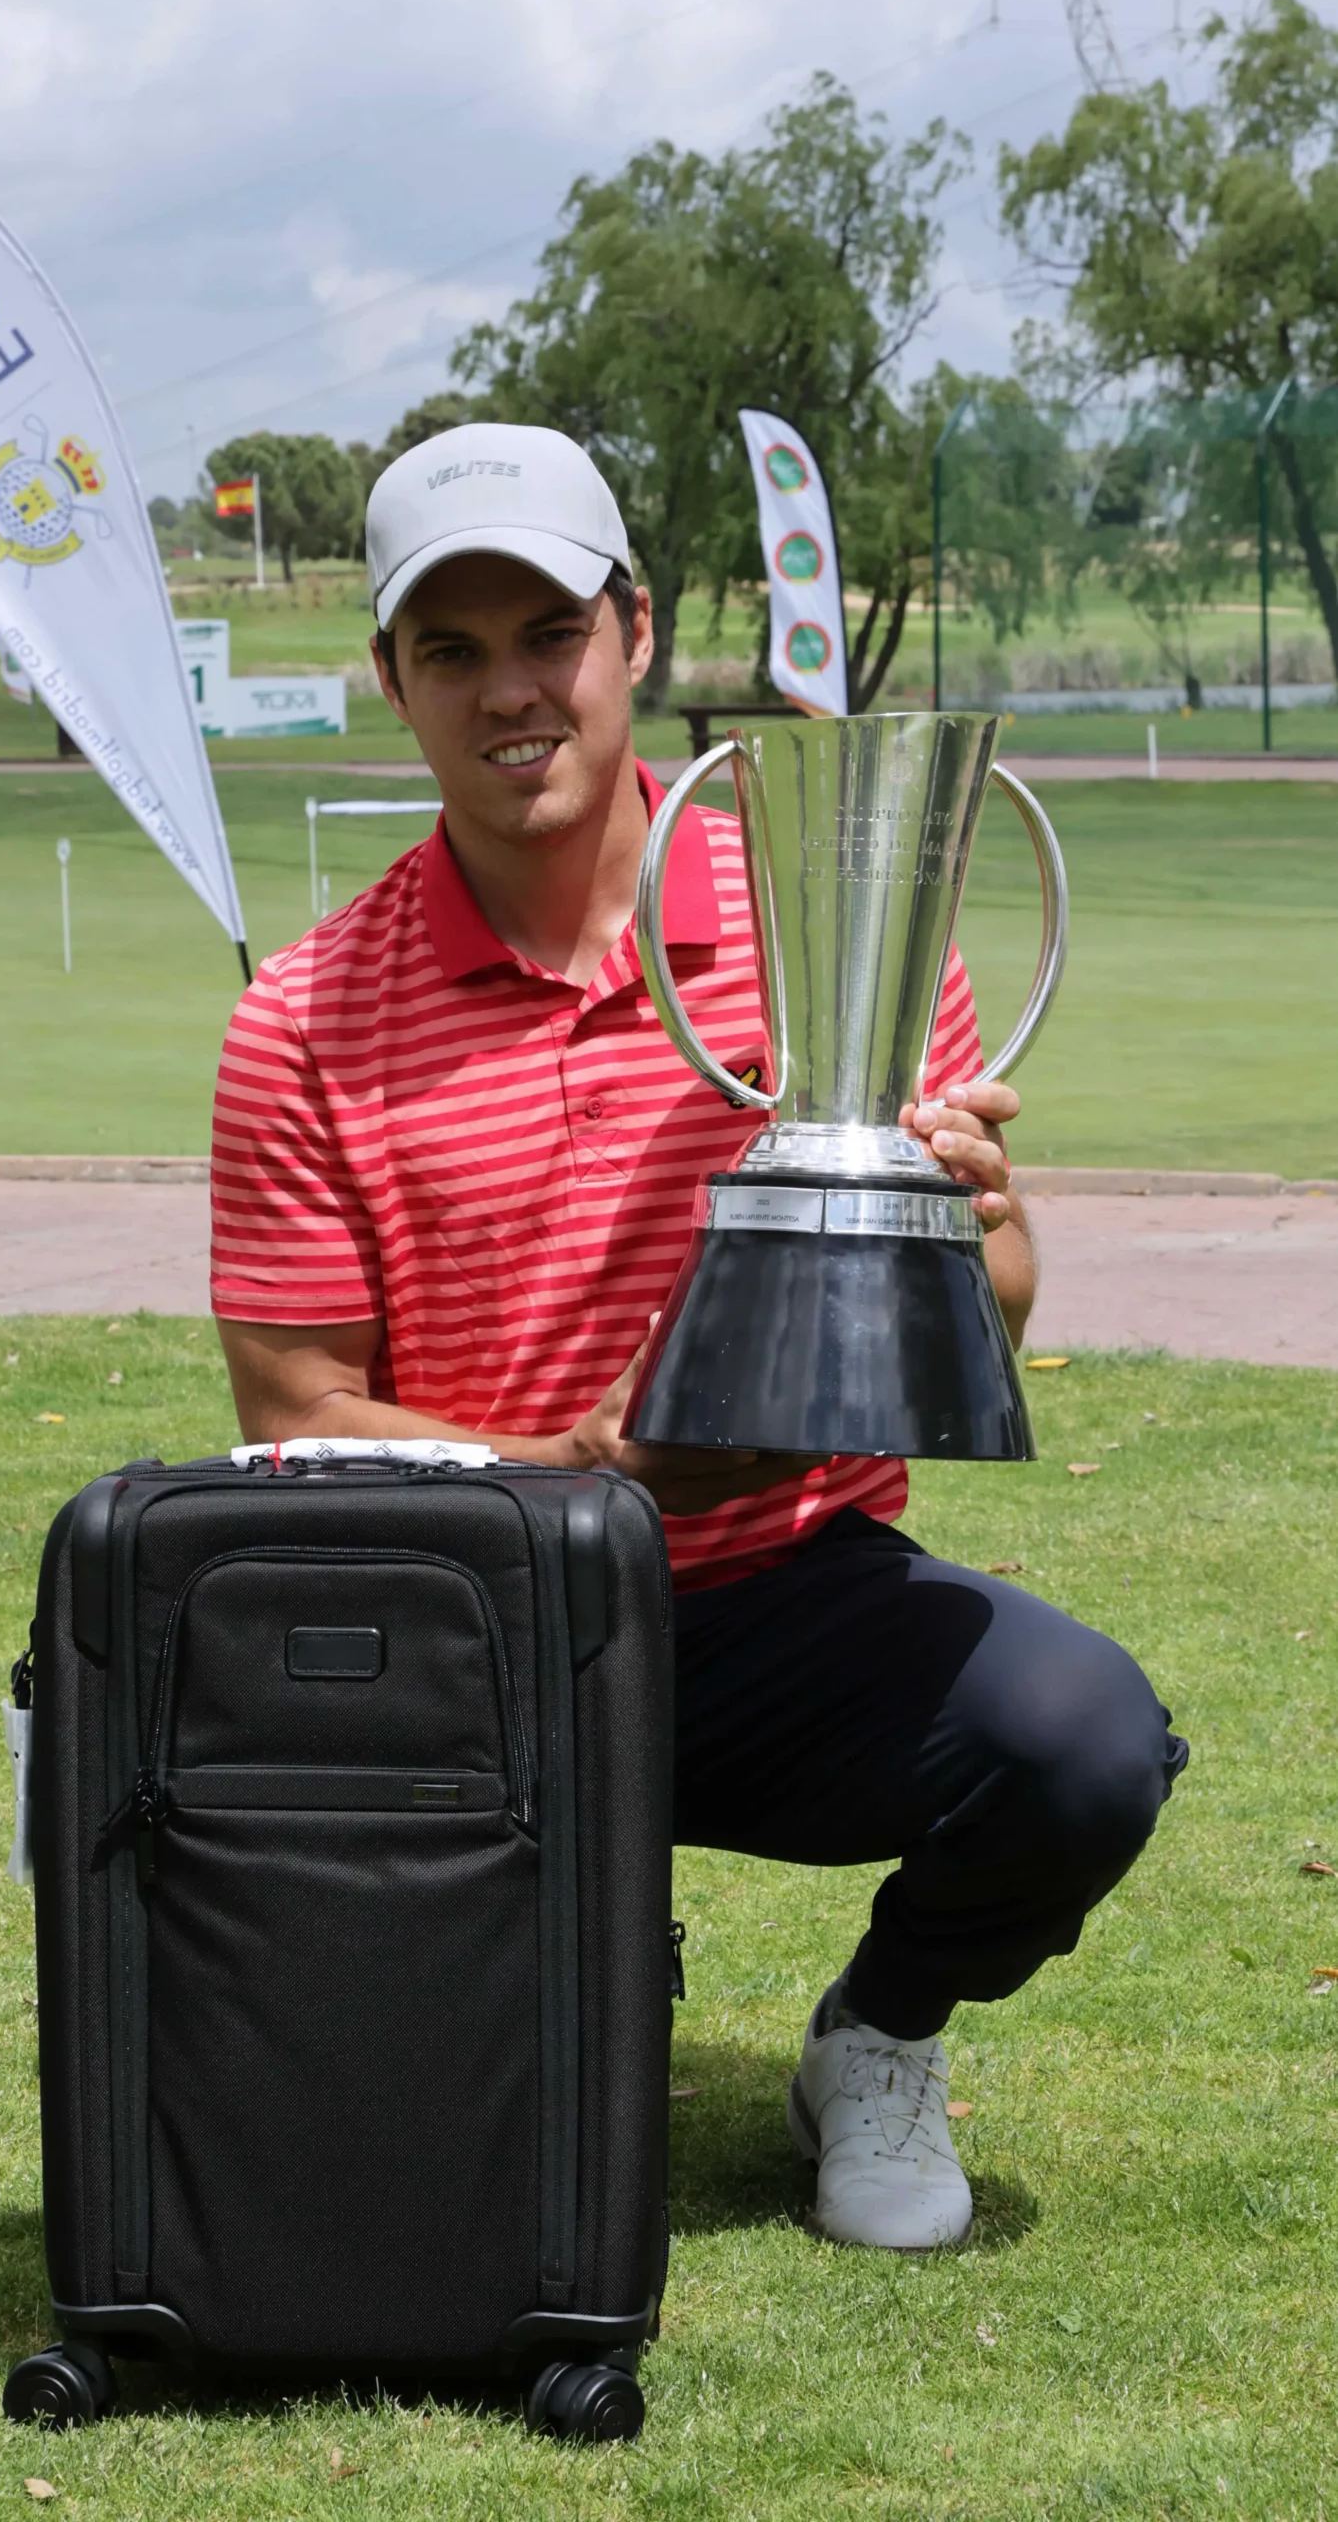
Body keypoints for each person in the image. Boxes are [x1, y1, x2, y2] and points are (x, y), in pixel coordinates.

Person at [209, 423, 1186, 2252]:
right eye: (451, 647)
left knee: (1078, 1743)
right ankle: (531, 1975)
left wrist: (972, 1223)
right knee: (450, 2173)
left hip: (780, 1598)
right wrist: (569, 1475)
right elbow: (294, 1414)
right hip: (476, 1621)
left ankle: (876, 2037)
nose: (511, 690)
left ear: (635, 635)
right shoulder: (303, 1018)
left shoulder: (832, 906)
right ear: (392, 682)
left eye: (548, 632)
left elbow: (991, 1310)